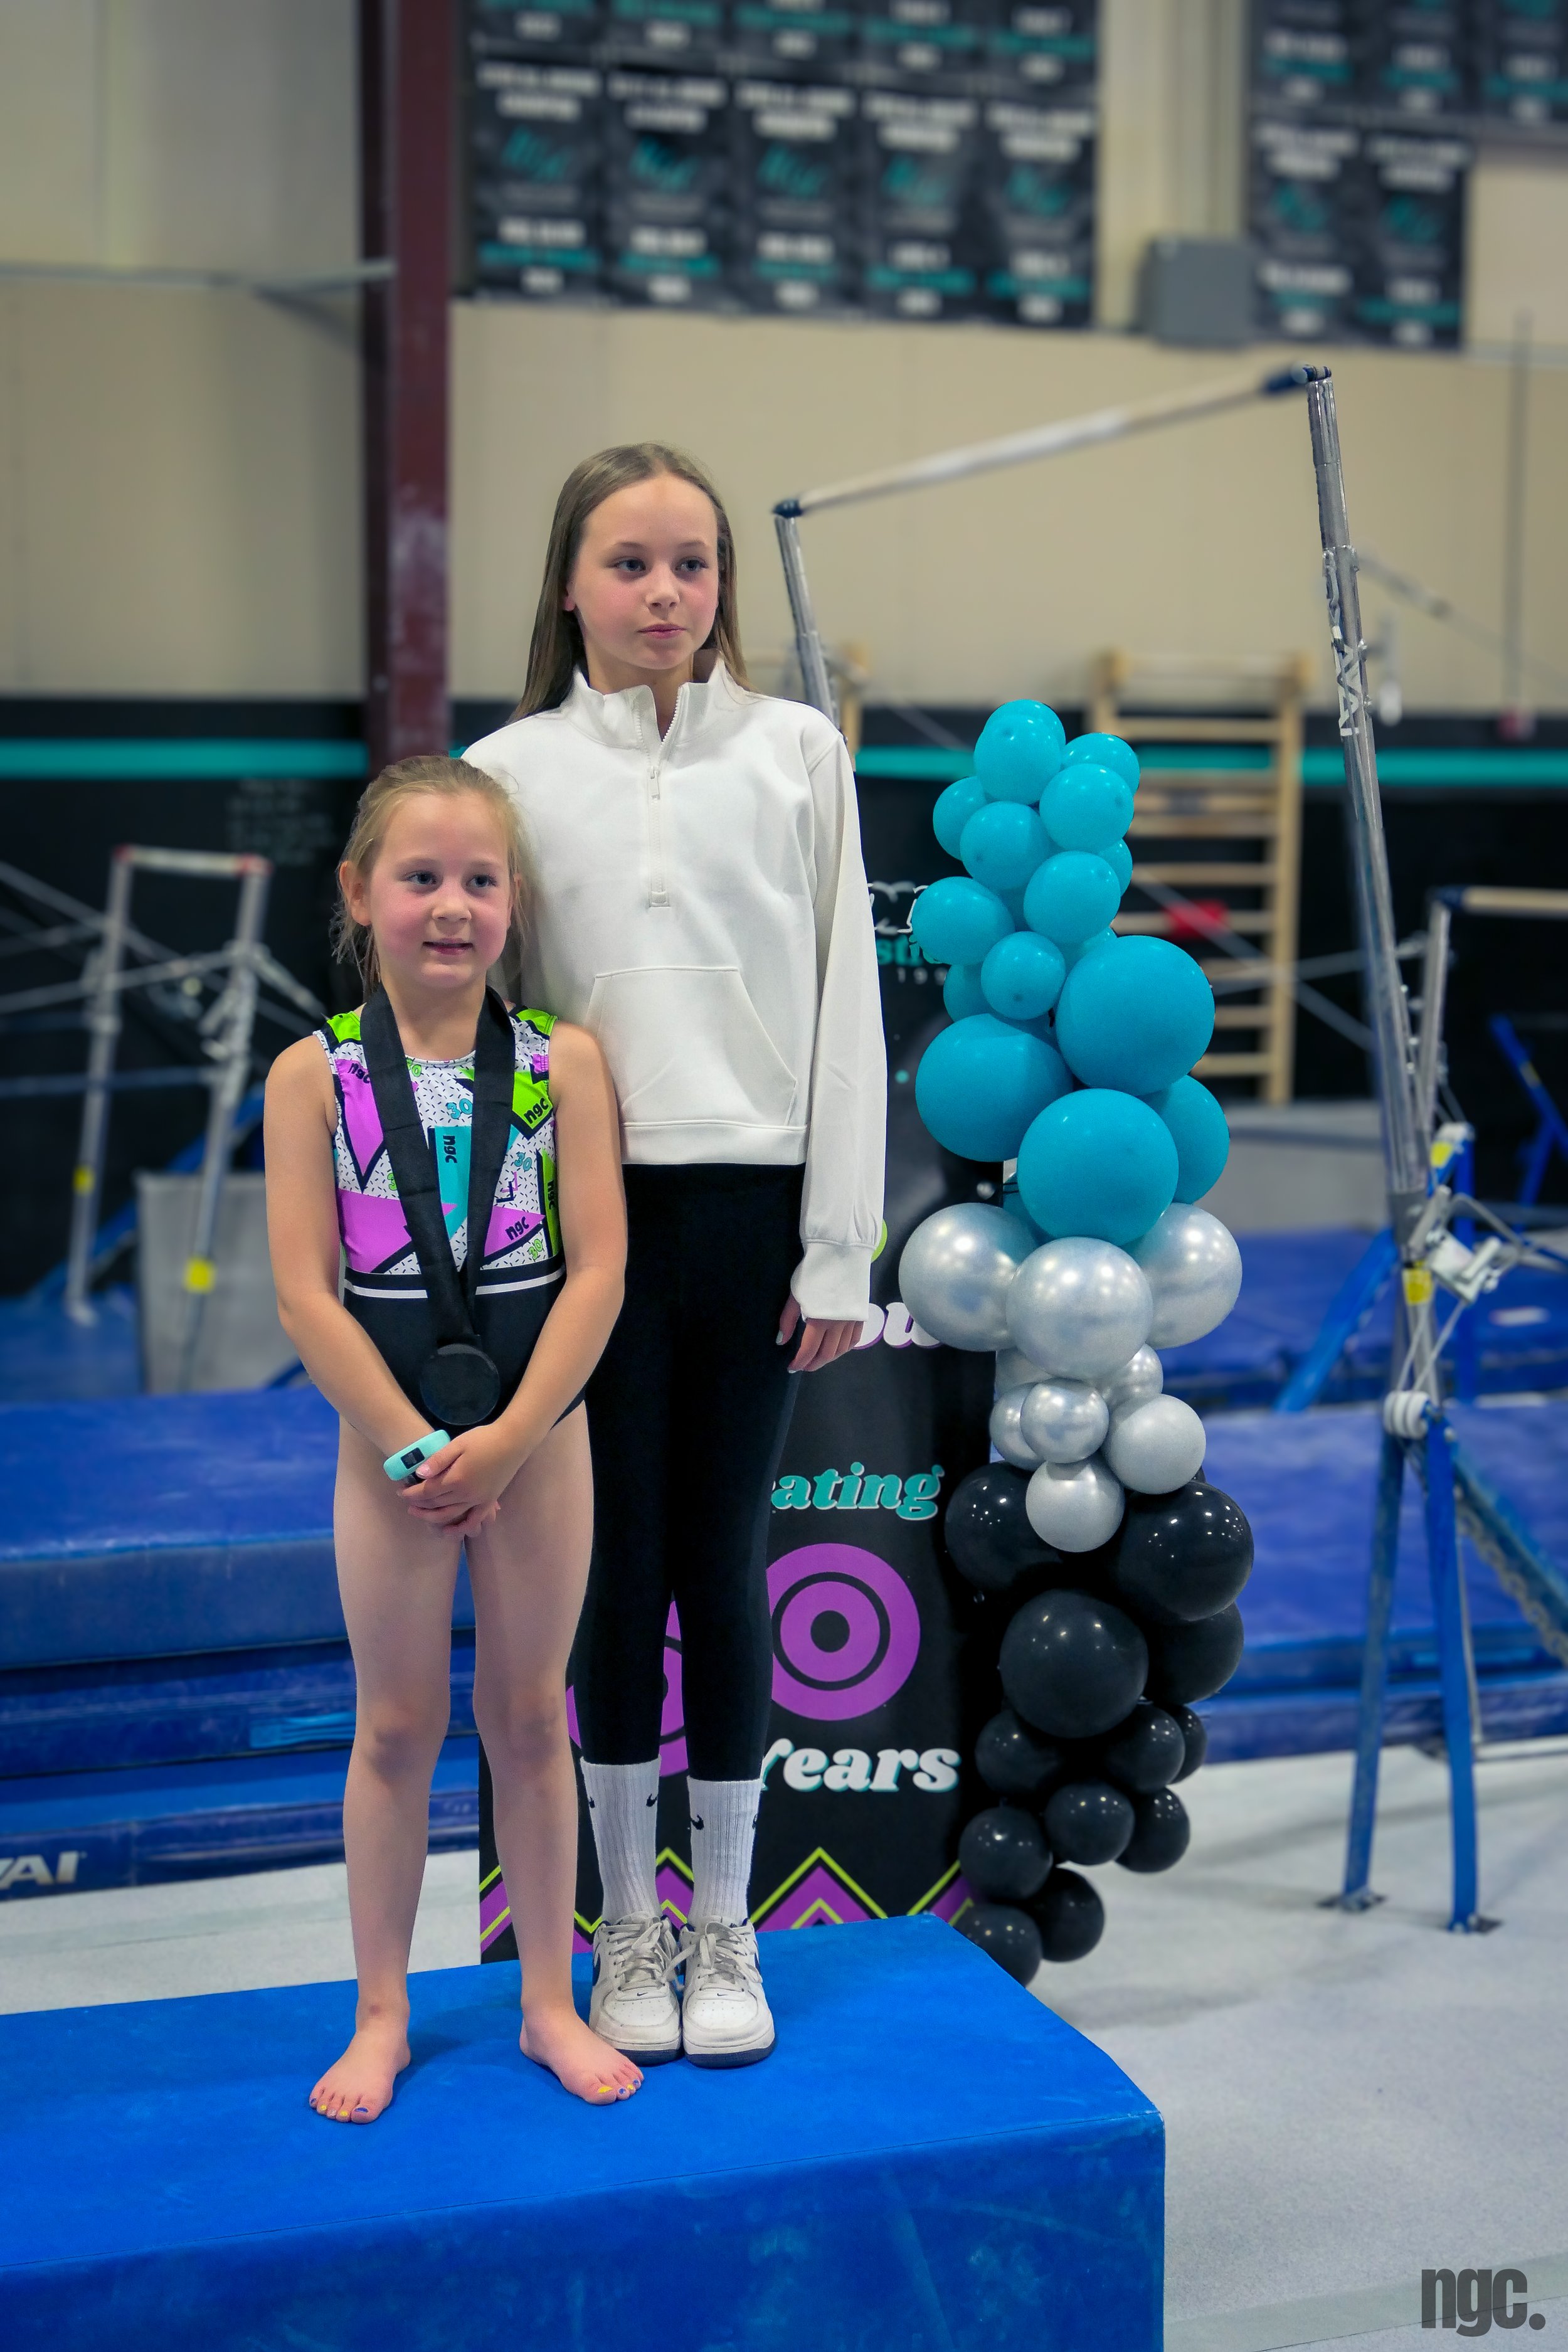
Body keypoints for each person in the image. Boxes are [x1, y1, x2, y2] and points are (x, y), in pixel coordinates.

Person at [466, 445, 885, 2069]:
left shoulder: (796, 753)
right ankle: (619, 1926)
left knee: (720, 1563)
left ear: (722, 588)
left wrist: (835, 1246)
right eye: (629, 563)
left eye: (692, 564)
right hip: (584, 1228)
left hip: (749, 1215)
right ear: (568, 583)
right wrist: (493, 1251)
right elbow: (481, 1028)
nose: (664, 593)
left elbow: (845, 1001)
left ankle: (722, 1922)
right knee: (608, 1570)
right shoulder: (505, 770)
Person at [264, 753, 642, 2117]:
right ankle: (381, 2013)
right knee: (395, 1725)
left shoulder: (560, 1064)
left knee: (532, 1715)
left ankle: (548, 2000)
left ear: (513, 900)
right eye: (419, 877)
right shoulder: (314, 1077)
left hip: (540, 1431)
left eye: (479, 880)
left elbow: (598, 1269)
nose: (450, 906)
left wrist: (516, 1437)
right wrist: (413, 1448)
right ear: (359, 892)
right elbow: (306, 1293)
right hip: (391, 1444)